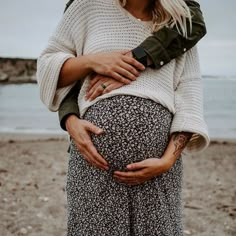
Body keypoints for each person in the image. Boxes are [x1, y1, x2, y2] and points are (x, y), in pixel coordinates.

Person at [37, 0, 210, 235]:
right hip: (93, 167)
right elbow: (49, 66)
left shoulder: (180, 24)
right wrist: (92, 62)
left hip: (157, 172)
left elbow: (189, 95)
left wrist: (168, 160)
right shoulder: (87, 7)